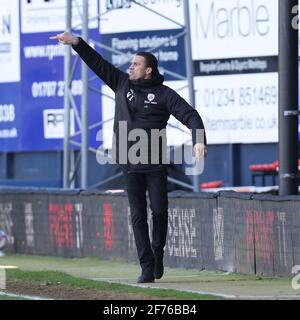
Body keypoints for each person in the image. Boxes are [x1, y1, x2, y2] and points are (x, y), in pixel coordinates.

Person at [50, 32, 207, 283]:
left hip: (154, 164)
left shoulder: (165, 94)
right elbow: (97, 62)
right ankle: (146, 266)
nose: (130, 67)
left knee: (159, 212)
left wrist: (199, 139)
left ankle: (158, 252)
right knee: (137, 216)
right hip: (129, 164)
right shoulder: (122, 83)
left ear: (148, 70)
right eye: (131, 64)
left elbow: (191, 115)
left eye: (136, 64)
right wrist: (78, 43)